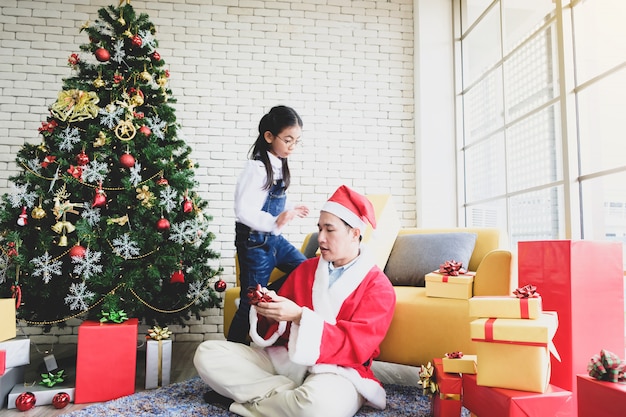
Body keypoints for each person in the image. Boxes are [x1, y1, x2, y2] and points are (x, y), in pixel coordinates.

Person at [194, 185, 397, 417]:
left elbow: (356, 348)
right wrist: (268, 310)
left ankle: (246, 401)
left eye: (329, 230)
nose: (320, 238)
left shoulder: (379, 288)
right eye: (319, 229)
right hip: (287, 360)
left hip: (339, 371)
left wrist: (300, 316)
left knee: (318, 408)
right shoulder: (307, 270)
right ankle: (289, 397)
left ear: (354, 234)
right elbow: (277, 331)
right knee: (208, 353)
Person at [227, 105, 310, 344]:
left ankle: (264, 292)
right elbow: (243, 210)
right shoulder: (256, 168)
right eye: (287, 140)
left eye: (296, 141)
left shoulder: (280, 164)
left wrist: (291, 211)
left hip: (274, 239)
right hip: (254, 242)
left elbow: (276, 198)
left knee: (305, 270)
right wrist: (275, 220)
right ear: (269, 136)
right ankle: (233, 348)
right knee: (249, 302)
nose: (292, 146)